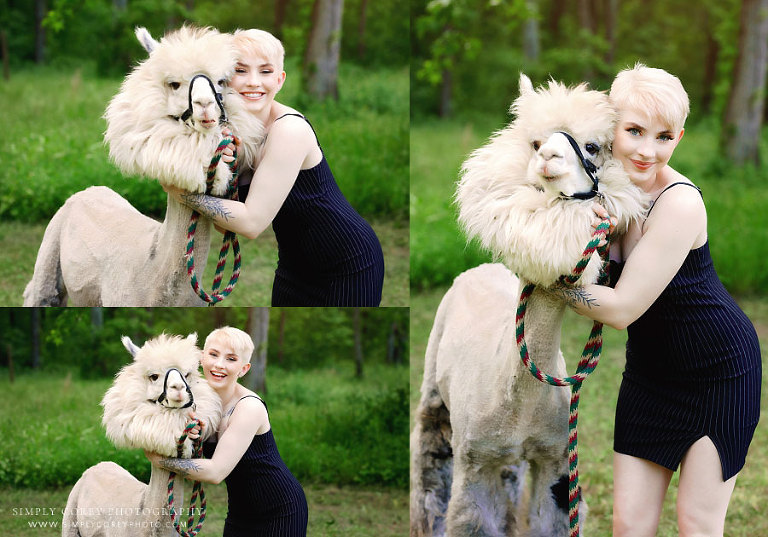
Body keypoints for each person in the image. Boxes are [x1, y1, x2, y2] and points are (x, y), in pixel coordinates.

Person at [550, 64, 761, 536]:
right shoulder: (601, 185)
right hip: (649, 378)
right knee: (630, 526)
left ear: (679, 137)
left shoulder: (679, 203)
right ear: (612, 127)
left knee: (697, 525)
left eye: (664, 137)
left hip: (718, 373)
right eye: (634, 131)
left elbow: (622, 309)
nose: (648, 151)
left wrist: (550, 281)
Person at [165, 28, 385, 306]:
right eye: (241, 70)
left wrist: (180, 192)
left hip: (347, 264)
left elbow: (251, 223)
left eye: (265, 71)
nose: (253, 82)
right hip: (293, 268)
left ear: (280, 80)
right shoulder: (230, 131)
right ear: (223, 78)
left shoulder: (290, 130)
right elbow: (226, 227)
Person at [145, 326, 308, 537]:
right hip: (240, 511)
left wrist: (160, 461)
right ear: (201, 357)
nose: (219, 365)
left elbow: (215, 472)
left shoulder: (249, 407)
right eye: (213, 355)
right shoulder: (192, 397)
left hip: (279, 508)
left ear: (244, 369)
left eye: (231, 359)